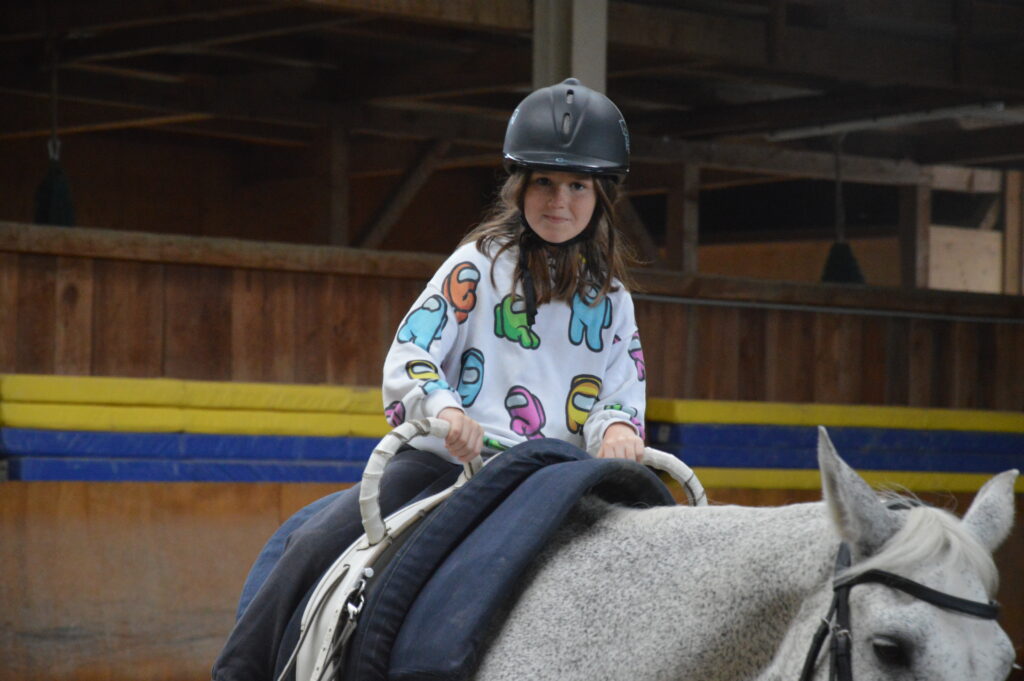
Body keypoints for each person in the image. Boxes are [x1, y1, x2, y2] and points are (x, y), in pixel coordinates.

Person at [211, 77, 647, 681]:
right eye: (544, 182)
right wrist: (444, 409)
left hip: (557, 477)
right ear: (520, 186)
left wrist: (618, 428)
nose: (559, 201)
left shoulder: (612, 299)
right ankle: (242, 670)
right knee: (314, 543)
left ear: (600, 196)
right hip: (452, 462)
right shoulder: (476, 265)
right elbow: (413, 351)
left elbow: (620, 385)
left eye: (578, 186)